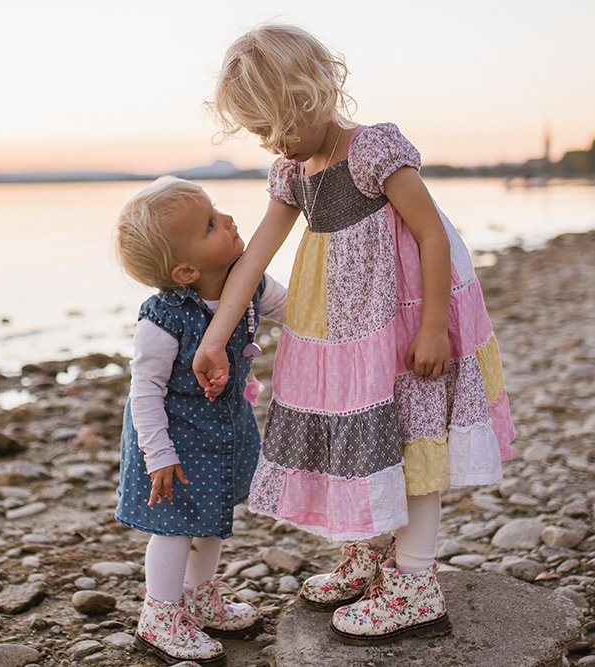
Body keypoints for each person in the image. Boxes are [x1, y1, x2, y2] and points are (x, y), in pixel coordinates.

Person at [193, 24, 515, 645]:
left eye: (278, 127)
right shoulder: (293, 172)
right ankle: (370, 553)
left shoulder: (373, 151)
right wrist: (215, 337)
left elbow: (431, 234)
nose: (272, 143)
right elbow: (254, 259)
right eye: (261, 133)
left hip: (404, 321)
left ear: (311, 95)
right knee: (362, 442)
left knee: (413, 444)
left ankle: (415, 584)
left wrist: (434, 329)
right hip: (343, 333)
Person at [112, 176, 287, 666]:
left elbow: (297, 310)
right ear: (186, 270)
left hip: (223, 432)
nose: (227, 219)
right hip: (172, 440)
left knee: (211, 518)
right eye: (210, 224)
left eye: (217, 210)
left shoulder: (249, 283)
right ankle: (160, 617)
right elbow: (145, 391)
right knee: (172, 527)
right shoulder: (164, 318)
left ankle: (198, 598)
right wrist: (158, 454)